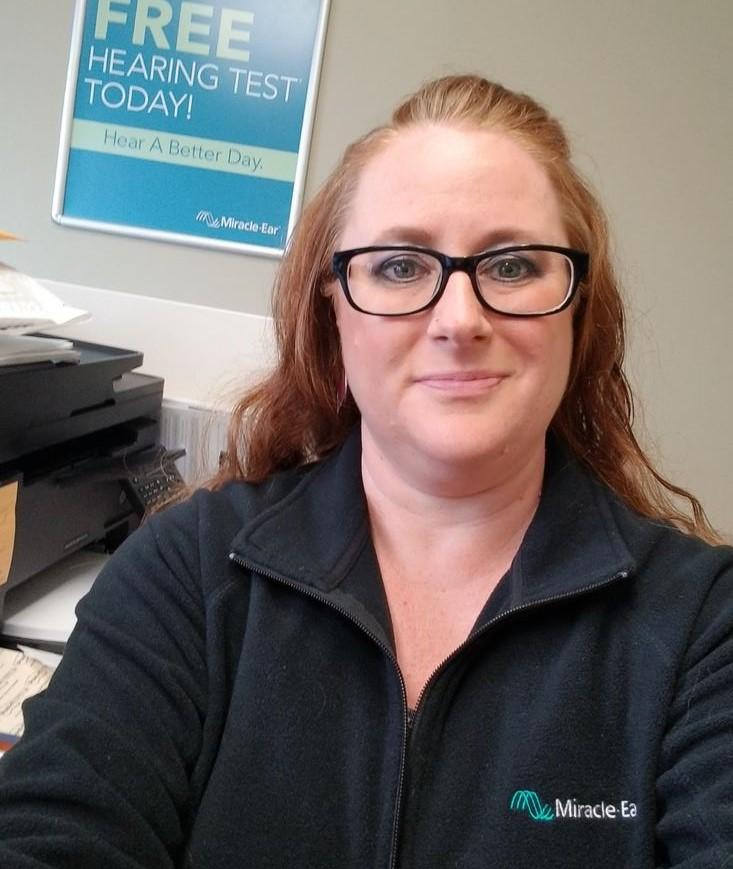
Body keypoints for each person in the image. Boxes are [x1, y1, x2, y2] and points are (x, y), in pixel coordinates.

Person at [0, 74, 731, 868]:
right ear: (333, 307)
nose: (459, 319)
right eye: (399, 267)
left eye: (514, 265)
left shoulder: (704, 625)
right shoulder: (186, 571)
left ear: (577, 307)